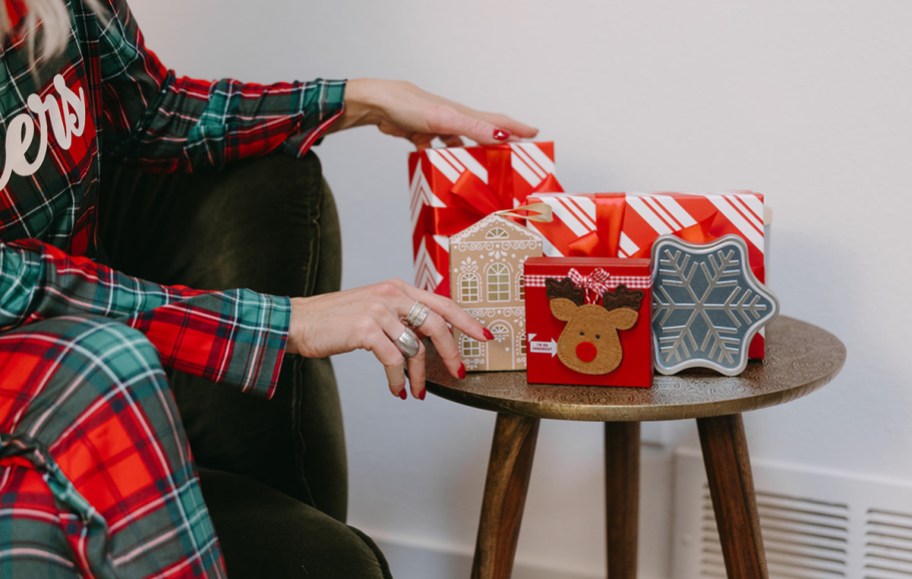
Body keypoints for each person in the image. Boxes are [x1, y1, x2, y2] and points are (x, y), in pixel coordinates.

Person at [0, 0, 539, 576]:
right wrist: (288, 323)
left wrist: (360, 98)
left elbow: (153, 111)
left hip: (53, 389)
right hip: (57, 364)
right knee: (103, 366)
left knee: (37, 517)